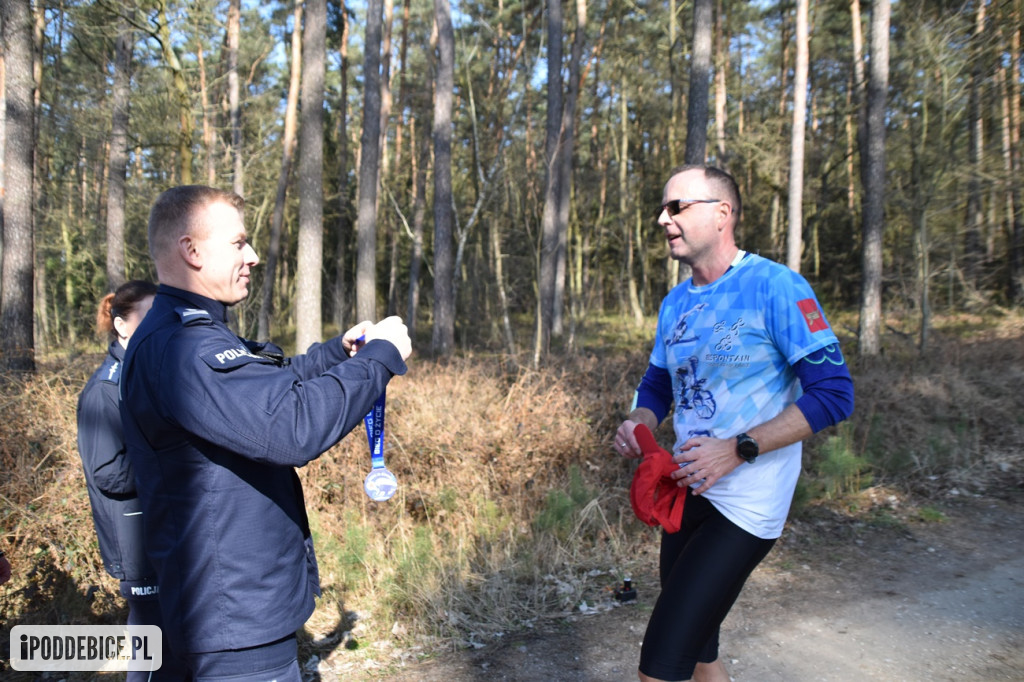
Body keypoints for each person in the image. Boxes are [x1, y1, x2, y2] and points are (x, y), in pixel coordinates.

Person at [120, 185, 412, 681]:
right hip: (231, 625)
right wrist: (381, 358)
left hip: (234, 610)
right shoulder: (182, 348)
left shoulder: (194, 331)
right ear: (191, 251)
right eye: (238, 244)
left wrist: (338, 353)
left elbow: (266, 383)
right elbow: (290, 427)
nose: (253, 256)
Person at [613, 166, 854, 682]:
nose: (663, 219)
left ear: (722, 214)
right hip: (688, 493)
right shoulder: (676, 302)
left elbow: (835, 394)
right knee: (701, 652)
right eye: (663, 209)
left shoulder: (776, 287)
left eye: (676, 207)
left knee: (659, 666)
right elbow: (658, 384)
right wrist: (640, 420)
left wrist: (739, 447)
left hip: (746, 506)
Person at [77, 280, 188, 681]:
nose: (162, 323)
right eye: (150, 315)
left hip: (160, 529)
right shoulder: (104, 390)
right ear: (122, 325)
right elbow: (106, 472)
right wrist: (171, 462)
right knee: (156, 645)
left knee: (155, 643)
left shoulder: (143, 373)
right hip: (135, 539)